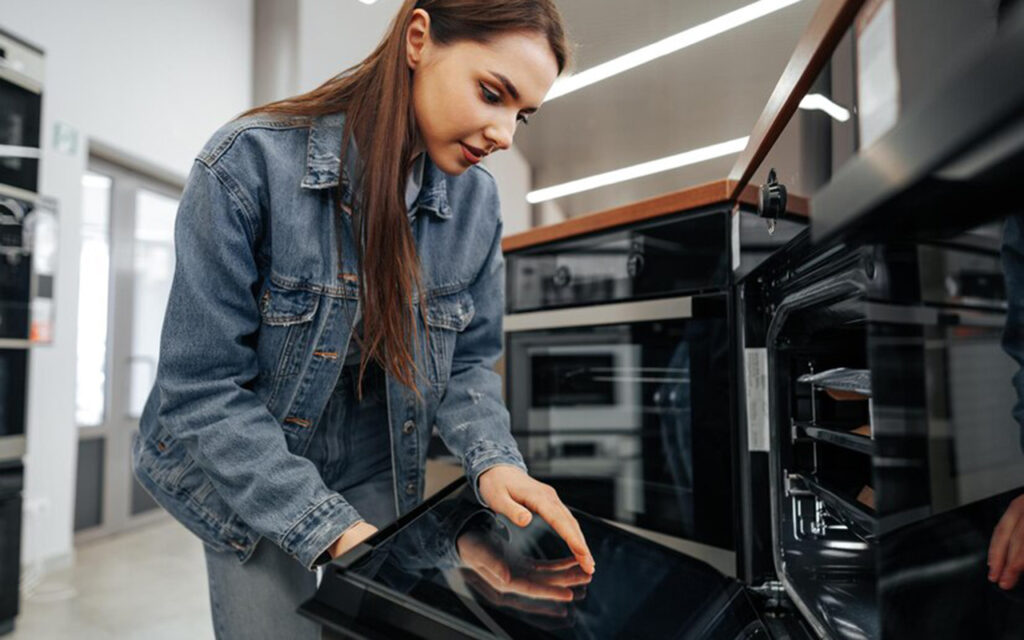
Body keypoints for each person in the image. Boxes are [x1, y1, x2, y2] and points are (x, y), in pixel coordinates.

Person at [130, 2, 594, 637]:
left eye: (521, 114)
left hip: (377, 456)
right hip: (253, 460)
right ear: (418, 38)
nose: (505, 135)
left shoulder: (478, 203)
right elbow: (201, 391)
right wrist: (336, 532)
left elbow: (466, 362)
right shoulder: (247, 164)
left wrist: (495, 462)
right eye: (492, 93)